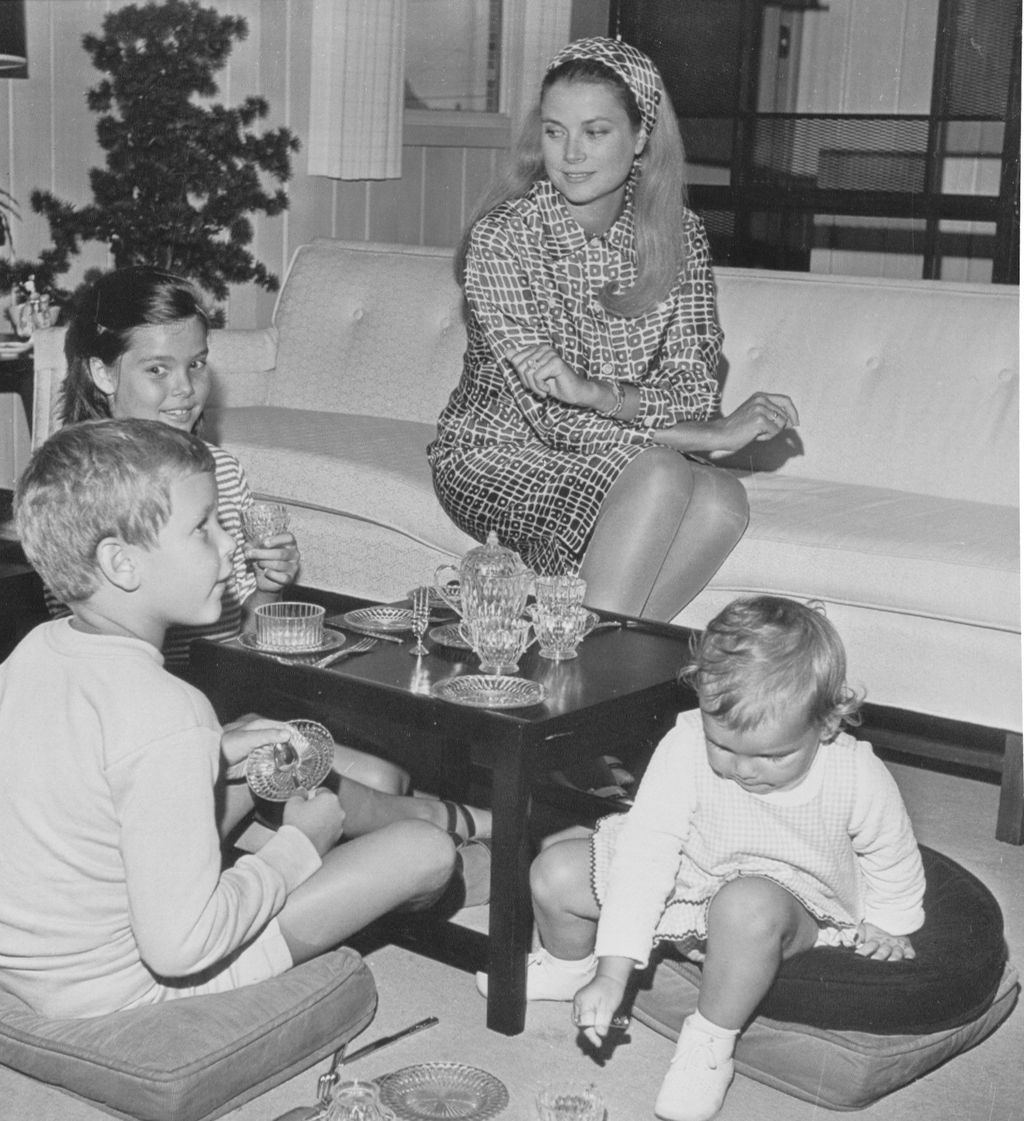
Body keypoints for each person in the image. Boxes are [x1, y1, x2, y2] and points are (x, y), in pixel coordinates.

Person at [0, 418, 464, 1018]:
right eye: (203, 529)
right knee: (425, 853)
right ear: (121, 564)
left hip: (32, 967)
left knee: (258, 752)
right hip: (131, 990)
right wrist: (299, 847)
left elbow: (78, 776)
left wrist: (213, 751)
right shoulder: (167, 709)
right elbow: (179, 949)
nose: (230, 547)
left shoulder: (34, 649)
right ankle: (448, 857)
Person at [53, 265, 490, 831]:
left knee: (388, 773)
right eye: (156, 369)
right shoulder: (77, 487)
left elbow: (238, 638)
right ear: (102, 372)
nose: (184, 389)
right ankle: (460, 828)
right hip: (143, 722)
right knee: (378, 787)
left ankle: (434, 837)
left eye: (196, 364)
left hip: (217, 695)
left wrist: (267, 587)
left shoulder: (221, 473)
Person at [491, 595, 925, 1121]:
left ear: (828, 724)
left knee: (744, 907)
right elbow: (647, 851)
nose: (744, 769)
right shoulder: (686, 744)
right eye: (725, 747)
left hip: (789, 904)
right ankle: (567, 966)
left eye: (772, 755)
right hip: (695, 877)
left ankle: (709, 1043)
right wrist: (611, 971)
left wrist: (890, 922)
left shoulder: (856, 774)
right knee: (556, 869)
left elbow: (891, 852)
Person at [428, 37, 798, 623]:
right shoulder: (504, 237)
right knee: (659, 472)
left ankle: (584, 665)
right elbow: (554, 417)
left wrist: (604, 395)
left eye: (595, 132)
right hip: (495, 453)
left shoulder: (681, 237)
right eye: (554, 132)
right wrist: (706, 438)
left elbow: (694, 393)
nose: (571, 154)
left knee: (723, 498)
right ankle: (578, 682)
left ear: (641, 136)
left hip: (611, 446)